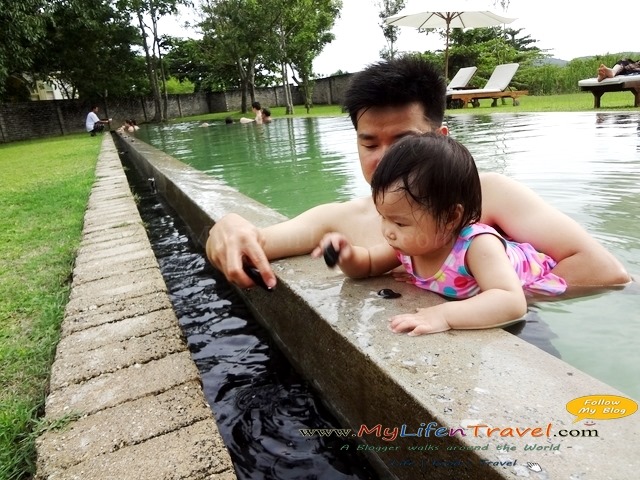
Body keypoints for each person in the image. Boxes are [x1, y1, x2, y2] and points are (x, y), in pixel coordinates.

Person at [205, 55, 630, 291]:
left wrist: (487, 292)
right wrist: (226, 225)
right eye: (369, 143)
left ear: (441, 138)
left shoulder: (489, 195)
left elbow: (604, 268)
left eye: (404, 142)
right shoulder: (337, 220)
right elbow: (252, 245)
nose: (382, 159)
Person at [312, 133, 567, 335]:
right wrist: (345, 255)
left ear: (450, 217)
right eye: (383, 218)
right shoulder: (407, 246)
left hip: (533, 283)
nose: (388, 232)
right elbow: (367, 265)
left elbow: (511, 302)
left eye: (400, 223)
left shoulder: (477, 247)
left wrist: (444, 315)